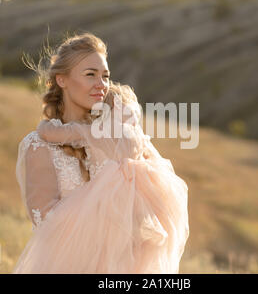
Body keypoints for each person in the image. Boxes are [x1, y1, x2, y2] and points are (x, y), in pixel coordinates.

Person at [13, 32, 189, 273]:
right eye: (90, 75)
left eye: (105, 76)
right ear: (62, 80)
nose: (101, 84)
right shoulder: (39, 145)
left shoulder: (115, 136)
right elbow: (44, 221)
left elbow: (158, 204)